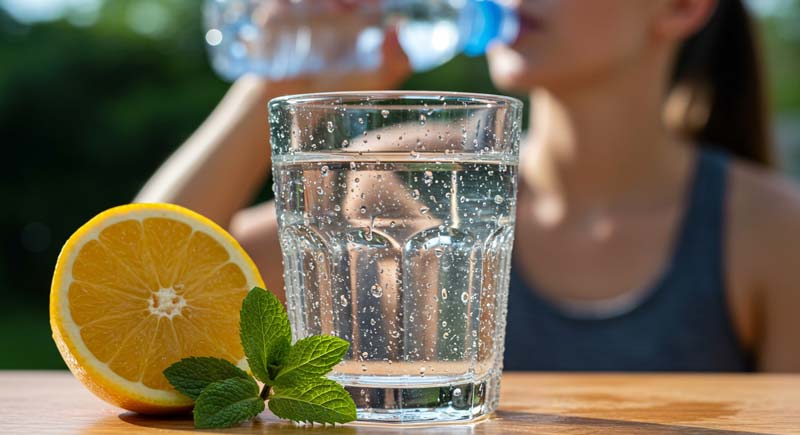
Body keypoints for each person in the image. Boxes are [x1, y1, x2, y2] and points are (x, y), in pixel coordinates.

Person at [137, 0, 800, 371]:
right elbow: (145, 288)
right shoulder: (395, 179)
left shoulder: (769, 231)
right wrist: (274, 87)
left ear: (683, 7)